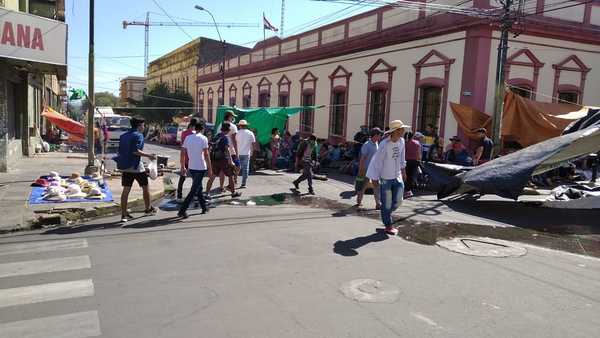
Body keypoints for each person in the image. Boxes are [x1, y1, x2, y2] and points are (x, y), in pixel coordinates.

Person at [366, 120, 409, 235]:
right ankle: (388, 225)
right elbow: (377, 162)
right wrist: (374, 178)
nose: (404, 131)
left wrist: (403, 171)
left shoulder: (402, 141)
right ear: (395, 131)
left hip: (397, 176)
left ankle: (386, 212)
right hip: (386, 179)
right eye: (401, 129)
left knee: (399, 200)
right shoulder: (384, 144)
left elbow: (402, 158)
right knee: (387, 203)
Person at [114, 117, 157, 224]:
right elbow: (135, 151)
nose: (144, 127)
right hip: (136, 167)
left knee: (126, 190)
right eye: (143, 125)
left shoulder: (123, 136)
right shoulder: (139, 135)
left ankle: (124, 214)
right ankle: (148, 208)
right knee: (145, 187)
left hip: (125, 166)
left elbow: (120, 151)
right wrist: (150, 156)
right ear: (139, 126)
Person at [178, 122, 212, 219]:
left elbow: (182, 152)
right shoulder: (203, 138)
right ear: (202, 129)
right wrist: (210, 168)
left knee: (198, 188)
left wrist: (182, 166)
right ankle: (182, 210)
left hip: (191, 166)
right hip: (200, 167)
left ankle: (204, 207)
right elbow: (206, 154)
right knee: (194, 190)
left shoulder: (188, 138)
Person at [206, 122, 241, 198]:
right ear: (227, 130)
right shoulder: (225, 138)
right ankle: (233, 192)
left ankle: (207, 193)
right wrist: (230, 160)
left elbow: (210, 147)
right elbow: (227, 150)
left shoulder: (216, 136)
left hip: (215, 159)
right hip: (223, 160)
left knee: (213, 176)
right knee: (231, 175)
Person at [356, 127, 383, 209]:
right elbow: (362, 158)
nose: (380, 137)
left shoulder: (377, 144)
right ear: (375, 135)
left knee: (376, 185)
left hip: (374, 169)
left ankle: (378, 204)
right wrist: (361, 170)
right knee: (363, 186)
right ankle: (359, 201)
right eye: (379, 135)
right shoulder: (367, 145)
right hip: (366, 169)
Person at [216, 111, 239, 190]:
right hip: (230, 150)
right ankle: (231, 186)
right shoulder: (232, 126)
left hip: (220, 151)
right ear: (229, 117)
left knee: (222, 170)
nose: (233, 118)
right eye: (232, 116)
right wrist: (237, 152)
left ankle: (221, 186)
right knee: (234, 168)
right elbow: (234, 140)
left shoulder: (220, 125)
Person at [176, 118, 198, 201]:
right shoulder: (194, 134)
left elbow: (182, 147)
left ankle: (179, 196)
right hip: (193, 159)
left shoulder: (184, 133)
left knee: (182, 177)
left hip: (185, 158)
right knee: (195, 178)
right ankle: (195, 195)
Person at [235, 120, 256, 188]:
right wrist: (252, 151)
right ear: (246, 125)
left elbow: (234, 142)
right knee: (245, 168)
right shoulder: (250, 133)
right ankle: (243, 183)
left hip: (237, 153)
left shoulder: (237, 133)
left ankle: (234, 180)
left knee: (237, 167)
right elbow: (253, 143)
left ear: (240, 125)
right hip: (246, 153)